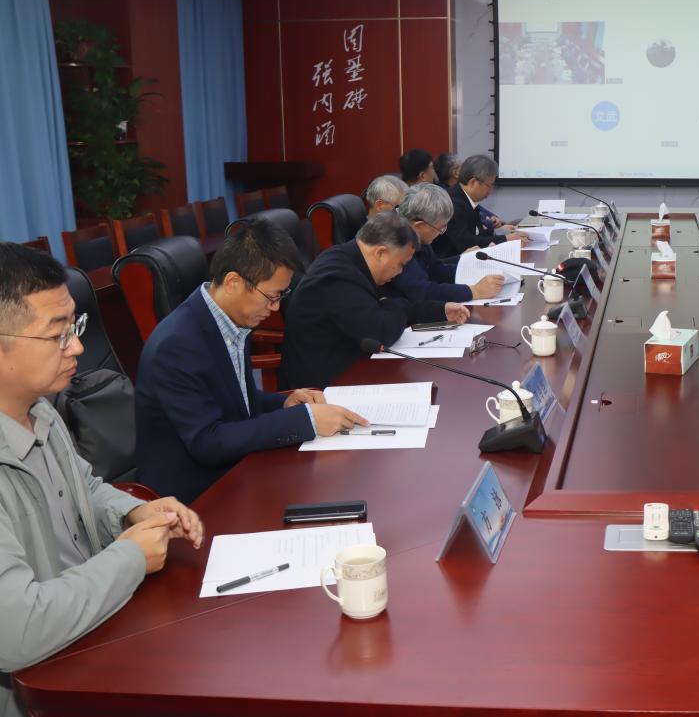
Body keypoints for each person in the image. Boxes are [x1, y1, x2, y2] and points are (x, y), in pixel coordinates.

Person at [0, 243, 204, 716]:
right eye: (57, 335)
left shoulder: (40, 410)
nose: (76, 347)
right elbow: (17, 631)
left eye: (75, 328)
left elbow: (84, 488)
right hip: (42, 688)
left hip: (93, 635)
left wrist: (133, 512)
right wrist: (131, 557)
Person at [134, 219, 370, 504]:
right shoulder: (176, 346)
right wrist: (305, 420)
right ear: (233, 283)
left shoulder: (230, 317)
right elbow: (208, 441)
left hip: (236, 469)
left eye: (281, 296)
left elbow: (234, 399)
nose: (275, 308)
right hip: (194, 498)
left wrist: (283, 403)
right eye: (271, 296)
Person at [280, 213, 471, 390]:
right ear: (380, 253)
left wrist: (440, 309)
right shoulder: (338, 278)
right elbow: (382, 333)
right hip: (322, 387)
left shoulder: (352, 260)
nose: (400, 272)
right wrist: (391, 304)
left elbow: (394, 306)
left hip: (353, 364)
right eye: (401, 264)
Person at [390, 184, 505, 303]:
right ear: (419, 225)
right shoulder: (396, 242)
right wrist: (474, 291)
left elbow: (436, 269)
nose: (441, 233)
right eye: (440, 228)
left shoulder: (416, 234)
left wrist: (475, 269)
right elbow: (423, 291)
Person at [431, 154, 528, 257]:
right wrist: (506, 239)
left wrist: (500, 232)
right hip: (450, 261)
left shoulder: (465, 198)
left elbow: (477, 233)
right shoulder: (453, 203)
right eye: (489, 185)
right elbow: (465, 242)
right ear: (473, 182)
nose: (490, 191)